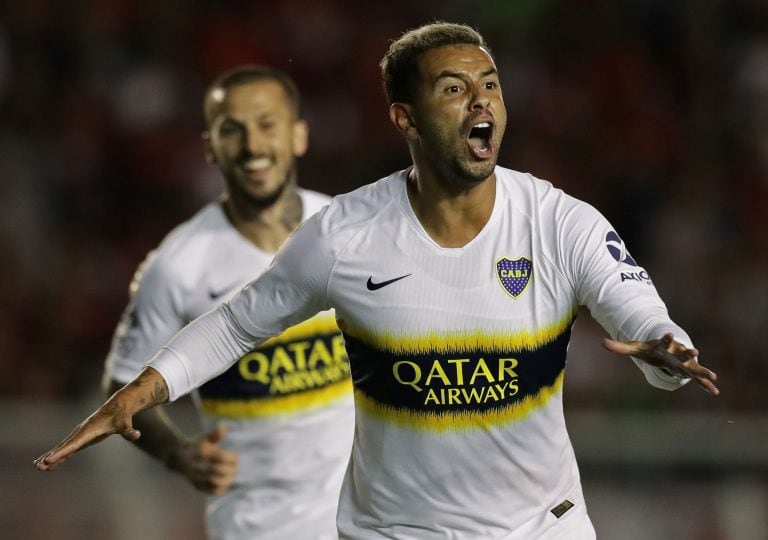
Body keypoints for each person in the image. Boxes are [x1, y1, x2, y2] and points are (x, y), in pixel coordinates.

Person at [36, 23, 719, 539]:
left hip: (540, 526)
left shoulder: (560, 222)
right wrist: (142, 392)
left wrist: (667, 353)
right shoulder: (346, 236)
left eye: (490, 84)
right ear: (406, 117)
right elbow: (240, 321)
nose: (481, 99)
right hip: (393, 532)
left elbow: (642, 319)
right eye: (454, 88)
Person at [98, 65, 354, 540]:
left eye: (267, 125)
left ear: (299, 135)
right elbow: (121, 386)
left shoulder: (349, 231)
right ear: (211, 148)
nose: (253, 146)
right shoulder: (178, 267)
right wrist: (180, 454)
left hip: (371, 524)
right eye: (232, 130)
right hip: (257, 529)